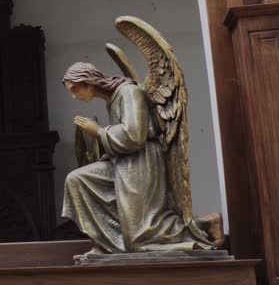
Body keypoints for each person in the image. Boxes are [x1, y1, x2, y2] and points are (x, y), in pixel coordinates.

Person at [61, 62, 216, 255]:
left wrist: (99, 132)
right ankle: (106, 243)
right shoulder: (112, 98)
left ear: (89, 82)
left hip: (140, 162)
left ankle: (198, 227)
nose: (74, 96)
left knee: (139, 238)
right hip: (122, 160)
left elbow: (135, 136)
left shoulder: (129, 92)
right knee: (77, 180)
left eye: (75, 89)